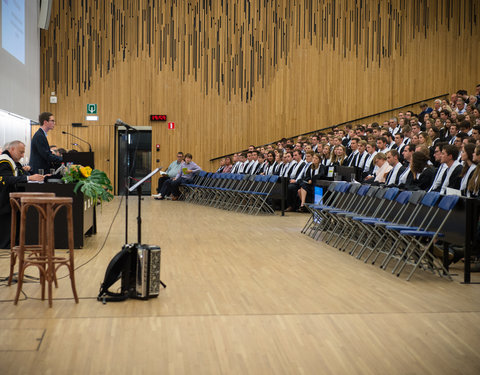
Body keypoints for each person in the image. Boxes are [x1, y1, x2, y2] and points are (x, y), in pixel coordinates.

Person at [0, 141, 44, 248]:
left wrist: (31, 175)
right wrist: (29, 178)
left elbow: (21, 174)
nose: (23, 155)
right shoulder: (4, 161)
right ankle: (6, 245)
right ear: (12, 150)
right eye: (21, 152)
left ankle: (13, 242)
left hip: (12, 198)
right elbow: (7, 179)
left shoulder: (13, 162)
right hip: (4, 199)